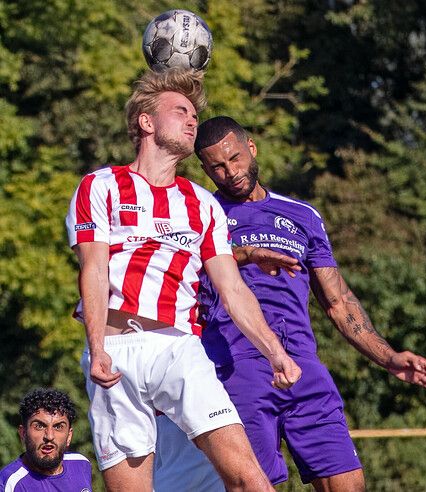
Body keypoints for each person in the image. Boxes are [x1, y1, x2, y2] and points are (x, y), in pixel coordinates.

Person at [154, 116, 426, 492]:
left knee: (347, 483)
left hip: (303, 366)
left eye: (236, 158)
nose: (231, 172)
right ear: (206, 170)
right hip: (236, 371)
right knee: (255, 485)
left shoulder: (302, 216)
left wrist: (388, 357)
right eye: (218, 167)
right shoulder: (198, 214)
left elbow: (338, 301)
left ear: (252, 148)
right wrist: (245, 254)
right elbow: (175, 279)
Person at [65, 70, 301, 492]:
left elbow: (233, 290)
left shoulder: (203, 203)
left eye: (194, 113)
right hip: (115, 351)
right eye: (181, 111)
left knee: (252, 481)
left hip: (179, 347)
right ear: (146, 122)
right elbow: (95, 271)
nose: (193, 121)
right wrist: (97, 347)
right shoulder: (100, 186)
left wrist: (275, 352)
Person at [0, 388, 92, 491]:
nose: (49, 436)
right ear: (23, 433)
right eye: (39, 426)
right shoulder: (10, 484)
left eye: (58, 427)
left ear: (69, 436)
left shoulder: (81, 464)